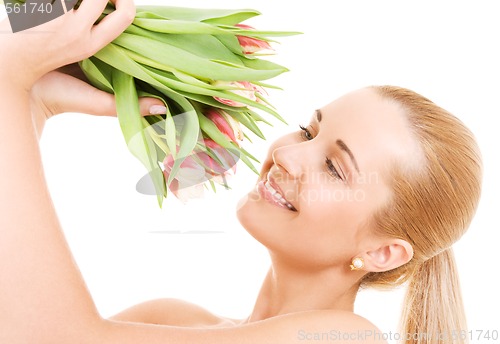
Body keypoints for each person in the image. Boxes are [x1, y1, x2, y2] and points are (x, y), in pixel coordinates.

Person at [0, 1, 482, 343]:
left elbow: (53, 337)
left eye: (335, 169)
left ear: (382, 252)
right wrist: (33, 102)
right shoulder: (171, 319)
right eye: (307, 132)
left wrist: (9, 85)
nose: (288, 155)